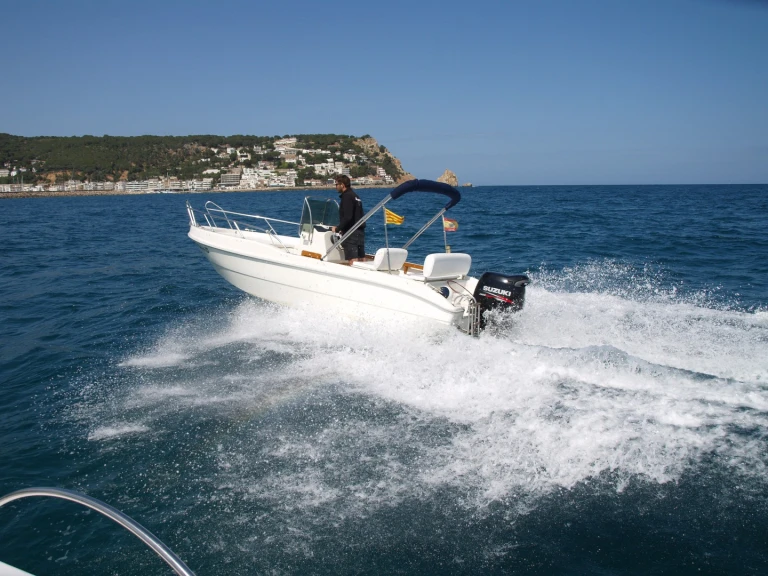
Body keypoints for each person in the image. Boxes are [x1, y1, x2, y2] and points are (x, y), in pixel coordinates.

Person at [333, 174, 365, 261]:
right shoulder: (355, 196)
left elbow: (348, 217)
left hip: (351, 232)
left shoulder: (347, 197)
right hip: (360, 231)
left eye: (336, 184)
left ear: (342, 185)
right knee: (361, 258)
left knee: (353, 260)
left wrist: (338, 228)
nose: (335, 187)